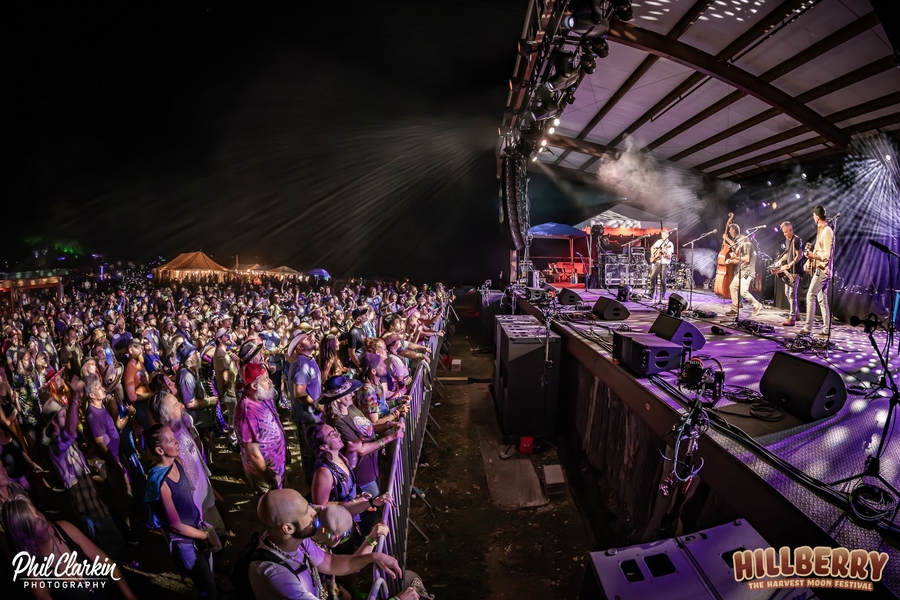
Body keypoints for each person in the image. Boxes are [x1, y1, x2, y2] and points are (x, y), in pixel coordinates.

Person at [248, 489, 405, 600]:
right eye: (306, 511)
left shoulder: (296, 540)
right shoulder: (277, 577)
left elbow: (331, 563)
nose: (313, 512)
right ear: (288, 528)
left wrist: (374, 556)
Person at [42, 379, 125, 560]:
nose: (68, 418)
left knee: (112, 540)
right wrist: (74, 398)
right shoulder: (55, 443)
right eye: (63, 416)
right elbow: (70, 431)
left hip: (92, 500)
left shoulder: (66, 441)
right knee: (105, 546)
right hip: (86, 506)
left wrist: (91, 463)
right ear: (54, 423)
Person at [1, 495, 137, 600]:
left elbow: (106, 562)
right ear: (26, 534)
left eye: (37, 512)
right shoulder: (33, 570)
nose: (42, 519)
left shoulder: (65, 528)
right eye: (34, 521)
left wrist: (129, 596)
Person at [144, 424, 219, 599]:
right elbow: (176, 525)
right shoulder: (160, 483)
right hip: (185, 543)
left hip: (197, 531)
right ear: (159, 450)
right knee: (208, 590)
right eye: (171, 440)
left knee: (208, 575)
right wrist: (206, 535)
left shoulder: (178, 461)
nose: (177, 441)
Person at [151, 389, 229, 539]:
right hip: (195, 503)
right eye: (175, 405)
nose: (182, 405)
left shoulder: (181, 425)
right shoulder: (169, 445)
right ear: (164, 417)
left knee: (219, 529)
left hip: (206, 492)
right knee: (211, 538)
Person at [323, 375, 404, 498]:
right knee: (374, 504)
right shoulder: (338, 421)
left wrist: (389, 424)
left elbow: (368, 427)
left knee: (379, 496)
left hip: (373, 465)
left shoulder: (350, 407)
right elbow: (360, 449)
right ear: (338, 399)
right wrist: (390, 438)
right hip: (363, 474)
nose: (353, 394)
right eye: (348, 392)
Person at [234, 363, 287, 494]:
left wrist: (285, 451)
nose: (270, 381)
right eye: (266, 379)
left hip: (278, 465)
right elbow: (253, 454)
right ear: (254, 386)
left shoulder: (262, 397)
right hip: (266, 474)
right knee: (273, 504)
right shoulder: (247, 413)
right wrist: (271, 482)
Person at [286, 328, 321, 484]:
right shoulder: (301, 364)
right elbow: (299, 392)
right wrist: (317, 405)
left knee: (315, 452)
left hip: (313, 416)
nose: (311, 338)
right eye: (306, 339)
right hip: (307, 417)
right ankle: (313, 487)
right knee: (310, 455)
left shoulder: (308, 359)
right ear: (299, 347)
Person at [802, 205, 835, 337]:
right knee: (822, 300)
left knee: (810, 295)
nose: (813, 217)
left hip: (823, 270)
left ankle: (807, 328)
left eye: (813, 215)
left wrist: (814, 256)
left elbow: (828, 255)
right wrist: (808, 260)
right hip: (820, 269)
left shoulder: (827, 231)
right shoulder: (821, 230)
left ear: (817, 217)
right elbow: (817, 250)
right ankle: (826, 330)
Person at [725, 224, 763, 318]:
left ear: (742, 239)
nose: (737, 244)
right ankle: (734, 309)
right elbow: (739, 260)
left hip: (747, 272)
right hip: (741, 271)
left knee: (743, 292)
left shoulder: (747, 245)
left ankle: (757, 305)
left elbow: (746, 259)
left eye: (738, 242)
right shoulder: (743, 247)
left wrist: (735, 257)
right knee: (732, 287)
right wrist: (730, 261)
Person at [770, 221, 803, 326]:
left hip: (795, 271)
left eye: (785, 232)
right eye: (783, 232)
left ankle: (792, 318)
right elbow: (788, 253)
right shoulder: (787, 240)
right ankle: (797, 314)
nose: (784, 234)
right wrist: (780, 261)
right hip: (789, 271)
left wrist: (790, 265)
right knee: (787, 293)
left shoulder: (796, 240)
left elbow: (800, 255)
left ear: (790, 230)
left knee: (792, 294)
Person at [648, 229, 674, 302]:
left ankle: (662, 295)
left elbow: (669, 257)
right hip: (658, 262)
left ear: (668, 235)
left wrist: (664, 253)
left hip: (665, 263)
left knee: (663, 280)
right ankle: (650, 294)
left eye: (664, 235)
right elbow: (652, 248)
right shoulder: (659, 242)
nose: (663, 236)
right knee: (652, 277)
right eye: (662, 235)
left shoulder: (670, 244)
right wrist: (653, 255)